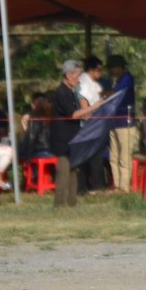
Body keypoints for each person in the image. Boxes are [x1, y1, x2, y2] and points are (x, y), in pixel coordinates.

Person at [51, 60, 99, 207]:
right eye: (77, 76)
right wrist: (94, 107)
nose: (78, 79)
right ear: (68, 75)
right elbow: (72, 114)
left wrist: (86, 115)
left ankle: (72, 202)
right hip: (62, 138)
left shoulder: (70, 92)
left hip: (72, 136)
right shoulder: (61, 93)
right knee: (64, 171)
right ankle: (59, 204)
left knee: (74, 170)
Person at [105, 55, 136, 194]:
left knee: (124, 156)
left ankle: (124, 187)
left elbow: (115, 94)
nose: (110, 71)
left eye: (112, 68)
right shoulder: (117, 81)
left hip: (125, 122)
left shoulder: (127, 79)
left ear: (119, 68)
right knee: (114, 156)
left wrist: (102, 94)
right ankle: (117, 185)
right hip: (115, 121)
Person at [77, 56, 106, 194]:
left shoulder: (94, 84)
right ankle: (92, 186)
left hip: (96, 122)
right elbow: (83, 100)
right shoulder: (83, 82)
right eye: (99, 70)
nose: (101, 73)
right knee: (93, 156)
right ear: (92, 69)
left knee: (94, 156)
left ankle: (93, 185)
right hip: (87, 125)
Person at [20, 92, 52, 160]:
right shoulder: (51, 115)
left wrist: (27, 158)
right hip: (52, 149)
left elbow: (31, 137)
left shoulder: (33, 117)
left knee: (17, 151)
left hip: (39, 149)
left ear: (34, 104)